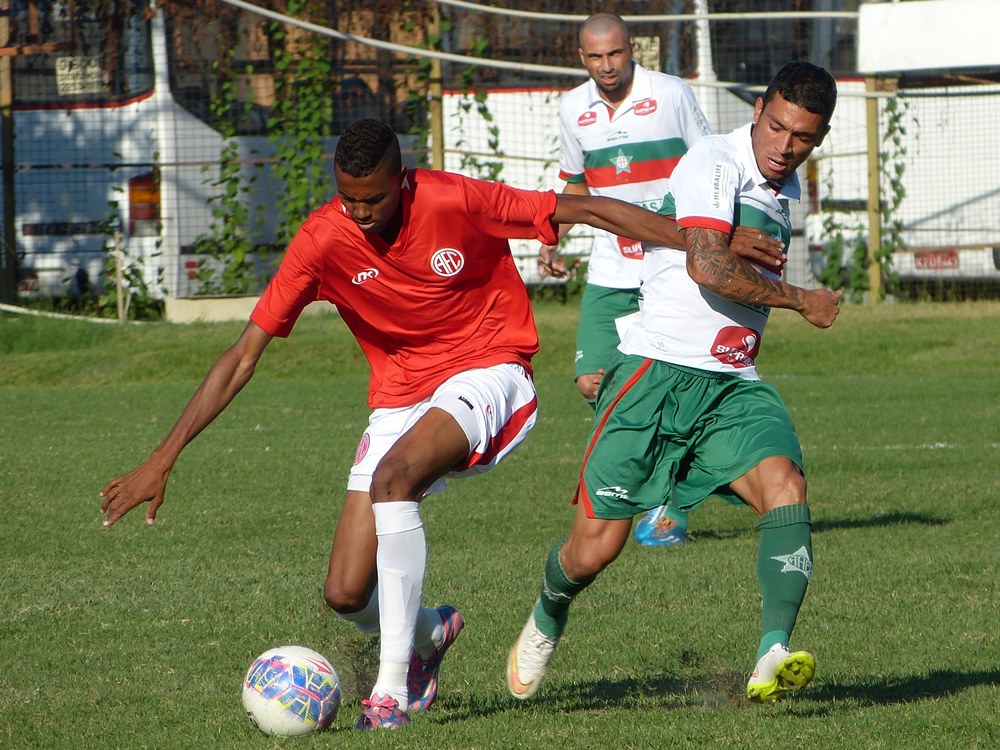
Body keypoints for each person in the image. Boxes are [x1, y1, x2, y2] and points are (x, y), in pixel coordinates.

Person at [98, 119, 782, 730]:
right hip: (400, 395)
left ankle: (389, 694)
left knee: (395, 481)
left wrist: (700, 239)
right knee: (344, 592)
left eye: (374, 198)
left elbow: (581, 207)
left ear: (402, 179)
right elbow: (242, 356)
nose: (361, 214)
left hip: (489, 368)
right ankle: (426, 637)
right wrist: (165, 456)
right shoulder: (321, 239)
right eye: (348, 199)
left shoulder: (454, 198)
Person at [507, 61, 841, 705]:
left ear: (819, 138)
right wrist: (801, 298)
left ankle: (773, 650)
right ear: (758, 110)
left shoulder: (784, 190)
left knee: (787, 487)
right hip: (654, 377)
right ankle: (549, 611)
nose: (783, 146)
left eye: (801, 137)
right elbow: (709, 268)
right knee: (593, 550)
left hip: (730, 385)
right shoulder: (715, 163)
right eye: (775, 126)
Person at [539, 13, 777, 547]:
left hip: (669, 262)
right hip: (610, 261)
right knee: (592, 381)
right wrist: (550, 238)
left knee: (671, 380)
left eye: (615, 55)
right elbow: (573, 179)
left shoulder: (670, 94)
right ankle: (645, 485)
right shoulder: (571, 108)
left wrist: (723, 234)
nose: (606, 66)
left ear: (632, 50)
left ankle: (663, 502)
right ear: (582, 59)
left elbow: (711, 162)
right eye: (596, 57)